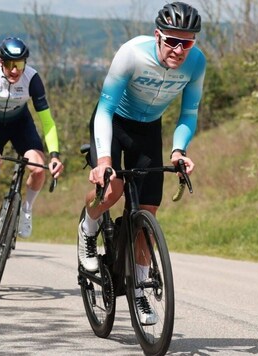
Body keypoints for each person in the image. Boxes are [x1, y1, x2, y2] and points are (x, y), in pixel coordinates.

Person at [77, 1, 204, 326]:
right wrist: (104, 159)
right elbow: (104, 109)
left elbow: (188, 113)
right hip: (113, 123)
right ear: (157, 35)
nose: (178, 49)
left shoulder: (196, 63)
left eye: (186, 42)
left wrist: (178, 151)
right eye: (172, 40)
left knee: (147, 214)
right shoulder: (132, 54)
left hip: (148, 129)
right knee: (114, 187)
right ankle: (88, 226)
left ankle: (140, 293)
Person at [0, 37, 64, 276]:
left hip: (20, 125)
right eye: (10, 65)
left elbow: (47, 122)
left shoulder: (32, 78)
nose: (14, 71)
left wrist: (54, 154)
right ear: (1, 62)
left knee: (38, 168)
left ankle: (26, 210)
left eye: (19, 65)